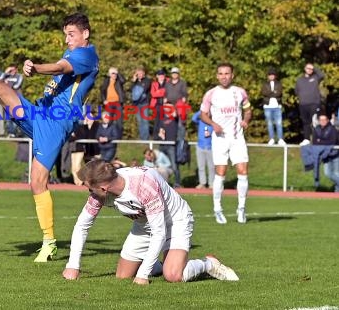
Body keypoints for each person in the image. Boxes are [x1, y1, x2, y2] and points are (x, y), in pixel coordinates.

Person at [0, 12, 99, 262]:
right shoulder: (73, 52)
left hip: (55, 124)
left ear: (85, 34)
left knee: (37, 182)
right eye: (65, 34)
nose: (67, 39)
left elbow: (59, 67)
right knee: (0, 88)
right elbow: (62, 66)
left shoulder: (86, 55)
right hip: (40, 113)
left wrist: (36, 68)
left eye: (71, 34)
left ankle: (49, 242)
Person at [62, 160, 239, 284]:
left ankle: (208, 263)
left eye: (88, 186)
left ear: (103, 187)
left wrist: (143, 275)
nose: (87, 191)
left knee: (173, 275)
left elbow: (159, 232)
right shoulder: (99, 193)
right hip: (143, 225)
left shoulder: (143, 186)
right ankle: (165, 262)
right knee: (123, 276)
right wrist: (72, 266)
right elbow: (82, 225)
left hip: (175, 221)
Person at [200, 63, 252, 224]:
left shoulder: (240, 92)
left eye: (227, 73)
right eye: (221, 73)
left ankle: (241, 208)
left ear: (232, 75)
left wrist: (246, 120)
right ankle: (217, 209)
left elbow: (248, 110)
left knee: (243, 171)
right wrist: (213, 124)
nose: (224, 76)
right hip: (220, 139)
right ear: (217, 76)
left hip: (237, 138)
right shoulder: (211, 94)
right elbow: (203, 114)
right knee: (220, 173)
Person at [295, 63, 324, 146]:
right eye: (308, 68)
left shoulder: (315, 77)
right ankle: (306, 139)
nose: (310, 70)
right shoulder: (299, 80)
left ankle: (318, 139)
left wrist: (314, 68)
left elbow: (322, 75)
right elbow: (296, 91)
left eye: (311, 69)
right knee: (305, 122)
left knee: (315, 121)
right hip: (303, 104)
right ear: (305, 69)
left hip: (314, 103)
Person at [311, 113, 339, 192]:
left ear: (327, 120)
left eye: (324, 120)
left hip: (335, 154)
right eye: (321, 120)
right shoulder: (316, 129)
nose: (322, 121)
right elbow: (314, 142)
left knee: (336, 173)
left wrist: (321, 141)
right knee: (328, 173)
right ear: (319, 121)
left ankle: (337, 191)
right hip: (325, 155)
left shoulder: (333, 129)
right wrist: (324, 142)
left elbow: (332, 141)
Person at [70, 116, 100, 185]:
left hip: (80, 149)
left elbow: (82, 136)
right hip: (73, 149)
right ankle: (76, 181)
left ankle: (80, 181)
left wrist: (74, 136)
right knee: (73, 167)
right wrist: (73, 136)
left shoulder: (82, 127)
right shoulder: (72, 128)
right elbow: (70, 138)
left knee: (77, 165)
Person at [157, 104, 181, 187]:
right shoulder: (162, 119)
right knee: (160, 165)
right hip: (163, 145)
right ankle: (161, 183)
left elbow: (176, 114)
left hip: (171, 145)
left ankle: (177, 183)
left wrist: (170, 105)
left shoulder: (174, 117)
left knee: (174, 166)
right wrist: (161, 134)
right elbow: (160, 130)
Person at [261, 67, 285, 146]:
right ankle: (271, 139)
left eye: (273, 75)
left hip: (277, 106)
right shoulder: (265, 84)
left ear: (275, 76)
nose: (271, 76)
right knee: (269, 123)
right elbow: (264, 93)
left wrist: (271, 93)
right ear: (268, 76)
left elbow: (279, 93)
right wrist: (273, 92)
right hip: (267, 106)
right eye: (270, 75)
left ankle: (280, 139)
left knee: (279, 123)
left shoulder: (279, 84)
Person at [164, 66, 188, 141]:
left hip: (179, 105)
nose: (174, 75)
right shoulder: (168, 83)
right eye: (173, 73)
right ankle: (171, 139)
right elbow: (166, 93)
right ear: (171, 74)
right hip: (170, 105)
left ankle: (181, 140)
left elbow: (184, 93)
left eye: (176, 73)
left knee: (181, 124)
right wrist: (165, 99)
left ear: (178, 74)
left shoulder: (182, 83)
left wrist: (184, 97)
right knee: (170, 123)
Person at [192, 110, 214, 189]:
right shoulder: (200, 122)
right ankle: (202, 183)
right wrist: (201, 110)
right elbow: (193, 118)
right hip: (200, 147)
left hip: (210, 147)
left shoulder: (213, 123)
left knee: (211, 167)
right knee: (201, 166)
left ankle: (211, 183)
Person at [100, 67, 125, 136]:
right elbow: (102, 90)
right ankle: (109, 135)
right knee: (109, 120)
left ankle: (119, 136)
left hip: (117, 103)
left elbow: (123, 81)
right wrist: (104, 100)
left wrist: (117, 72)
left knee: (119, 120)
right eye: (113, 73)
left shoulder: (118, 81)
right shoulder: (106, 81)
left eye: (115, 74)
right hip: (109, 103)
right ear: (109, 74)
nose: (114, 75)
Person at [1, 65, 24, 137]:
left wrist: (7, 84)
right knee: (8, 117)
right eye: (10, 70)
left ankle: (16, 132)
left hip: (17, 99)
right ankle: (10, 132)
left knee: (16, 116)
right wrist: (5, 72)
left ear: (16, 70)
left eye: (13, 70)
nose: (12, 71)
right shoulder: (6, 76)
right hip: (7, 99)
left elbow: (16, 86)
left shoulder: (19, 76)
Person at [130, 66, 151, 140]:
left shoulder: (147, 80)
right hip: (136, 104)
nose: (139, 75)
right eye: (138, 73)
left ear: (143, 73)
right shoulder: (134, 82)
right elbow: (131, 90)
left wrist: (137, 86)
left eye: (141, 73)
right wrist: (134, 81)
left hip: (144, 103)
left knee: (145, 120)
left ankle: (146, 138)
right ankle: (142, 138)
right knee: (139, 121)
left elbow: (144, 89)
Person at [150, 69, 168, 137]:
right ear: (157, 76)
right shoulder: (154, 84)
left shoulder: (167, 83)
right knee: (157, 120)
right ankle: (156, 136)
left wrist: (158, 91)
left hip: (166, 104)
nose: (161, 76)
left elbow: (168, 92)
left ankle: (164, 135)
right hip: (157, 104)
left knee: (164, 120)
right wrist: (162, 92)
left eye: (162, 75)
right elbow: (153, 94)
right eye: (160, 75)